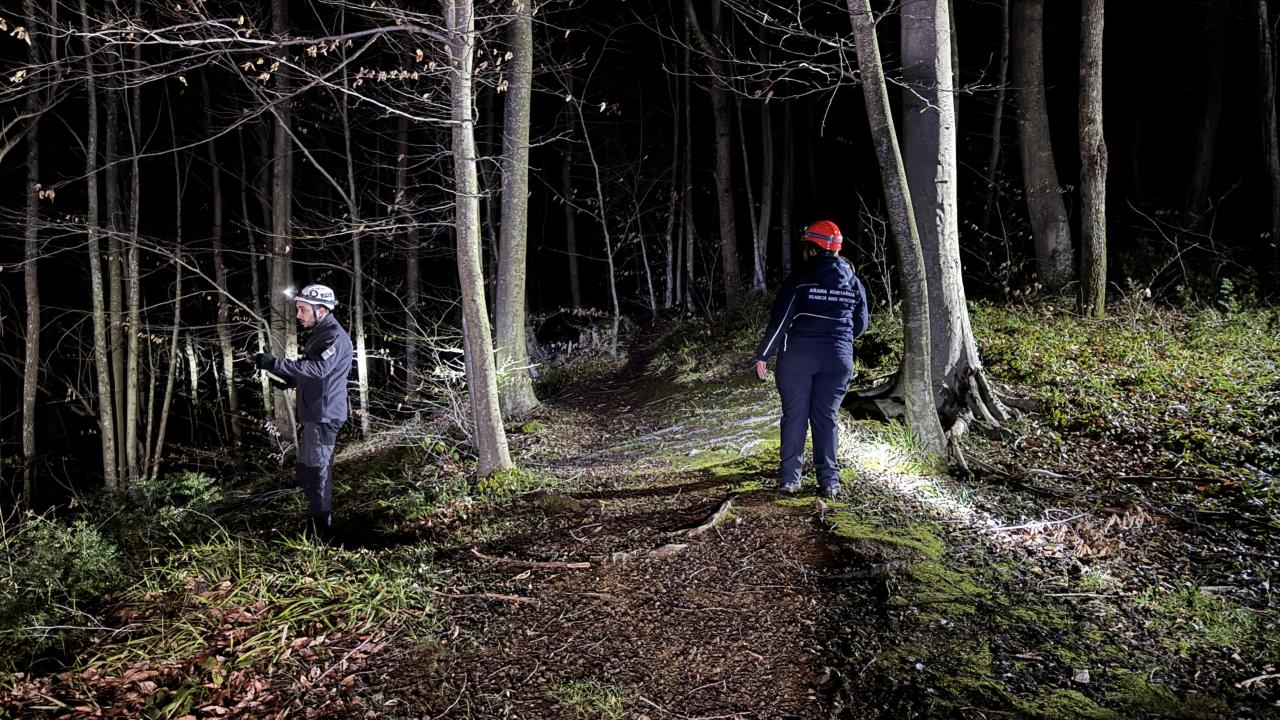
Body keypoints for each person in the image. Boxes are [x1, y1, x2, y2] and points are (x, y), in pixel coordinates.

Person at [753, 220, 869, 498]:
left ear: (813, 248)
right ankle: (829, 481)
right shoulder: (853, 282)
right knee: (826, 417)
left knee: (795, 415)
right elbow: (861, 323)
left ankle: (790, 480)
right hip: (838, 359)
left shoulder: (801, 279)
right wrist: (838, 338)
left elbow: (780, 321)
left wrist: (764, 354)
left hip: (798, 358)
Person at [254, 284, 353, 534]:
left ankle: (322, 531)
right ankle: (317, 523)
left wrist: (277, 363)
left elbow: (320, 370)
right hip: (316, 412)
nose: (298, 315)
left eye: (302, 310)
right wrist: (286, 377)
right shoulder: (321, 334)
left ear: (321, 310)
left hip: (325, 414)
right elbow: (315, 372)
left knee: (317, 470)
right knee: (310, 469)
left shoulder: (333, 335)